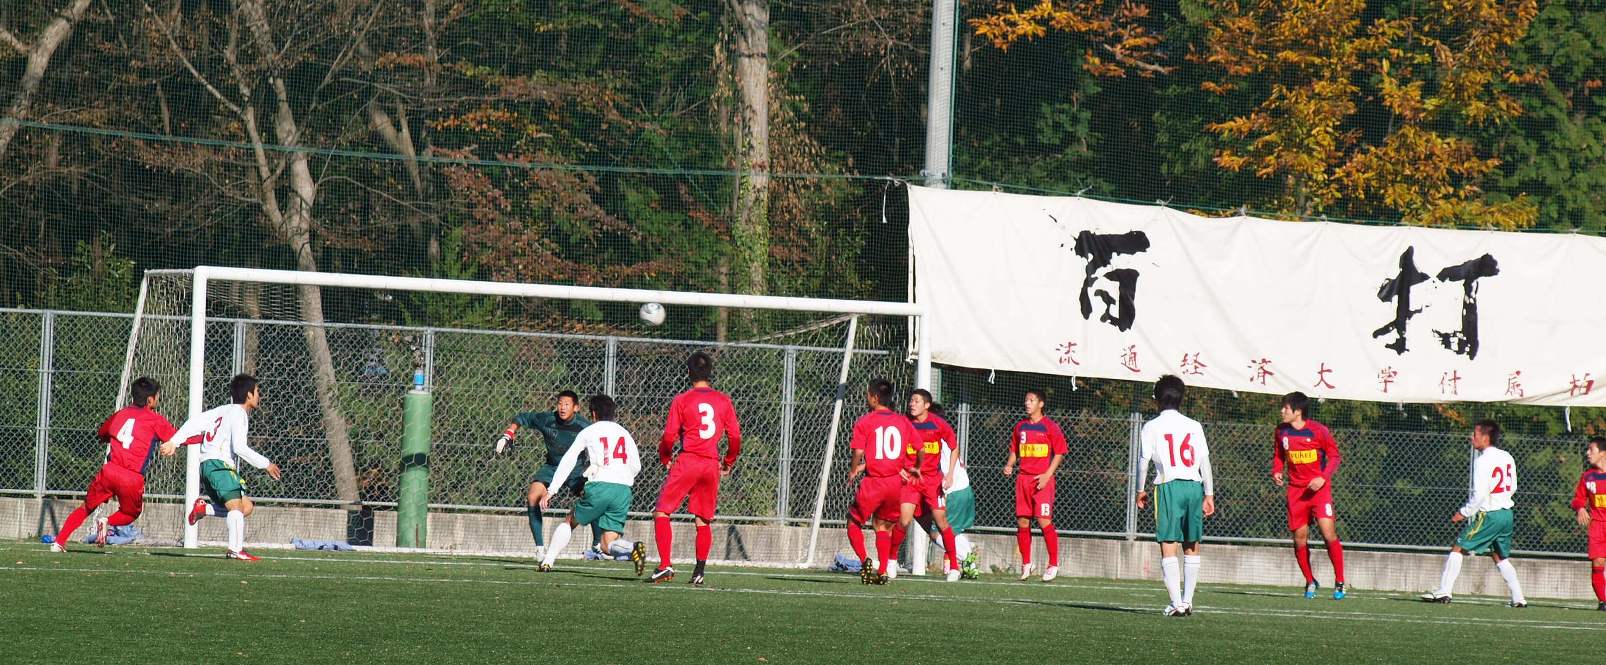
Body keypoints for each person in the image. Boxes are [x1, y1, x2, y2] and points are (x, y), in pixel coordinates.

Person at [159, 374, 281, 561]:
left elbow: (193, 423)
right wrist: (266, 464)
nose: (259, 396)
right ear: (249, 395)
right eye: (257, 392)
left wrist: (174, 441)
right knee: (236, 507)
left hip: (208, 465)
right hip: (219, 465)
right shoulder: (239, 414)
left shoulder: (221, 410)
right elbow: (240, 447)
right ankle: (235, 550)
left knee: (246, 507)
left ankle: (204, 509)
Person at [50, 377, 176, 551]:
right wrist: (195, 439)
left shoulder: (121, 414)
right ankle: (107, 521)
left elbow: (102, 431)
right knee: (131, 513)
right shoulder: (155, 419)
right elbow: (176, 437)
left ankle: (59, 542)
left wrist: (106, 438)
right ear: (150, 400)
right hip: (131, 477)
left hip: (110, 470)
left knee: (86, 506)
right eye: (157, 396)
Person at [651, 352, 742, 586]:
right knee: (702, 519)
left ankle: (665, 565)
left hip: (689, 459)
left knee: (662, 511)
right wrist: (728, 461)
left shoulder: (682, 400)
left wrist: (665, 457)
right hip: (711, 464)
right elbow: (735, 436)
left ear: (688, 373)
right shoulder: (724, 401)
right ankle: (699, 572)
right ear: (711, 373)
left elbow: (669, 435)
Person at [536, 395, 647, 575]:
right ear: (613, 413)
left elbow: (569, 459)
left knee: (570, 521)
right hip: (623, 490)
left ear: (593, 414)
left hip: (601, 486)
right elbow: (637, 466)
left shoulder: (589, 431)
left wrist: (552, 490)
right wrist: (622, 477)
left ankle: (547, 561)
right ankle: (632, 548)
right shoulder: (624, 432)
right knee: (606, 544)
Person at [1421, 420, 1526, 607]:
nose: (1472, 438)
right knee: (1499, 555)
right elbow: (1514, 485)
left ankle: (1444, 592)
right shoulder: (1507, 456)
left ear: (1485, 438)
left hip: (1490, 514)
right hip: (1507, 514)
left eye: (1475, 435)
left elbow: (1480, 494)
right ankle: (1519, 598)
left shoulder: (1482, 460)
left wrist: (1464, 512)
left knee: (1458, 547)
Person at [1135, 375, 1216, 616]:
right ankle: (1188, 601)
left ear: (1157, 399)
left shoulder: (1151, 426)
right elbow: (1204, 461)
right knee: (1192, 543)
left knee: (1168, 544)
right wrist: (1209, 493)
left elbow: (1143, 462)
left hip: (1168, 486)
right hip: (1194, 486)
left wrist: (1141, 490)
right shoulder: (1194, 425)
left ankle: (1176, 602)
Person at [494, 390, 594, 561]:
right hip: (552, 467)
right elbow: (522, 417)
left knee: (594, 498)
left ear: (576, 408)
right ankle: (540, 549)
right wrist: (509, 433)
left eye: (567, 404)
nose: (562, 408)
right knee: (532, 496)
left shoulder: (584, 426)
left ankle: (599, 546)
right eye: (560, 403)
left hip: (575, 470)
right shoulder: (547, 419)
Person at [1272, 391, 1347, 599]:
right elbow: (1279, 454)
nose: (1282, 411)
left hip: (1319, 491)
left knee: (1327, 532)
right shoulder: (1281, 431)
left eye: (1286, 408)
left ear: (1297, 412)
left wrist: (1323, 477)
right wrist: (1277, 470)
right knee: (1299, 539)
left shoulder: (1318, 430)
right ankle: (1310, 581)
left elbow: (1334, 456)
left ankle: (1340, 581)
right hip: (1296, 492)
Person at [846, 378, 919, 585]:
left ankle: (864, 560)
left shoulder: (865, 421)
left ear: (875, 397)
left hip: (874, 482)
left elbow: (859, 451)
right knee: (883, 527)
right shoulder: (902, 421)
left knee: (853, 522)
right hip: (895, 483)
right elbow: (915, 447)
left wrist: (853, 470)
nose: (866, 397)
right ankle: (884, 570)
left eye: (868, 394)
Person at [1003, 389, 1067, 582]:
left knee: (1043, 519)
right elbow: (1015, 449)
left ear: (1041, 404)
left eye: (1031, 400)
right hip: (1023, 479)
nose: (1027, 403)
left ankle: (1053, 563)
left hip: (1042, 481)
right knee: (1022, 521)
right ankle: (1026, 563)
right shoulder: (1020, 427)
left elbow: (1060, 452)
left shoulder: (1050, 426)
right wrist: (1009, 464)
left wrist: (1048, 474)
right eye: (1026, 400)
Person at [906, 389, 963, 582]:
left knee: (941, 520)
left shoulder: (938, 424)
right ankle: (888, 562)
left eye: (916, 401)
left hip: (932, 481)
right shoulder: (905, 423)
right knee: (903, 519)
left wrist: (949, 474)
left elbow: (954, 447)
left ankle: (954, 565)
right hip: (910, 481)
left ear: (927, 405)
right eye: (911, 400)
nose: (912, 404)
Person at [1571, 437, 1606, 611]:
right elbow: (1578, 498)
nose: (1587, 453)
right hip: (1598, 526)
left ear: (1603, 453)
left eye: (1591, 450)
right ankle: (1603, 601)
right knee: (1598, 564)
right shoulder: (1587, 476)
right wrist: (1580, 509)